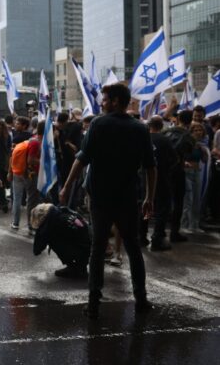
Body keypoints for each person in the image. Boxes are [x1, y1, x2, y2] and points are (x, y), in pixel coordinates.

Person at [60, 83, 155, 319]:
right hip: (127, 196)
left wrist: (67, 186)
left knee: (98, 247)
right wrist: (149, 197)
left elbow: (81, 159)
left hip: (100, 197)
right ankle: (141, 300)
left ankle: (93, 303)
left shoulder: (98, 124)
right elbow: (151, 167)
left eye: (104, 99)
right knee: (133, 248)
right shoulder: (140, 129)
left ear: (114, 101)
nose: (101, 103)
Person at [32, 203, 90, 278]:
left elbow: (39, 247)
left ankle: (73, 268)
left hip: (84, 249)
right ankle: (80, 268)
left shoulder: (53, 222)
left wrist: (40, 230)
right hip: (90, 246)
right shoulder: (62, 211)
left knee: (53, 241)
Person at [163, 110, 196, 242]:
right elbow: (188, 153)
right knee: (178, 202)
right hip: (178, 170)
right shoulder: (189, 137)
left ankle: (159, 231)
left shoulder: (166, 132)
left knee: (163, 201)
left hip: (164, 170)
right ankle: (174, 233)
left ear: (178, 118)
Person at [147, 116, 177, 251]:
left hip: (145, 179)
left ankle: (141, 236)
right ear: (161, 126)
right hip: (162, 178)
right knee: (162, 208)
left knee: (144, 206)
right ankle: (157, 238)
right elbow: (174, 159)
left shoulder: (144, 139)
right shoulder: (165, 140)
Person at [181, 123, 208, 233]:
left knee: (197, 199)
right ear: (191, 131)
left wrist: (204, 152)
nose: (198, 132)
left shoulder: (201, 145)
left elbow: (204, 161)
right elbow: (181, 155)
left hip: (197, 172)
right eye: (195, 130)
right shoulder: (187, 143)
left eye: (200, 130)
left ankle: (194, 225)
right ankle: (184, 225)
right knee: (188, 199)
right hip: (187, 172)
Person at [25, 121, 45, 234]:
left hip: (37, 174)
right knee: (32, 200)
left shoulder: (40, 141)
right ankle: (31, 225)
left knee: (37, 200)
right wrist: (44, 162)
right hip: (32, 175)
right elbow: (30, 160)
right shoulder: (35, 142)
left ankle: (36, 223)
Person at [8, 138, 30, 230]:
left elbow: (11, 159)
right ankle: (31, 224)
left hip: (17, 173)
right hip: (28, 174)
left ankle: (15, 223)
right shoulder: (31, 145)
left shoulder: (19, 146)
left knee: (17, 199)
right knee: (30, 199)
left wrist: (10, 173)